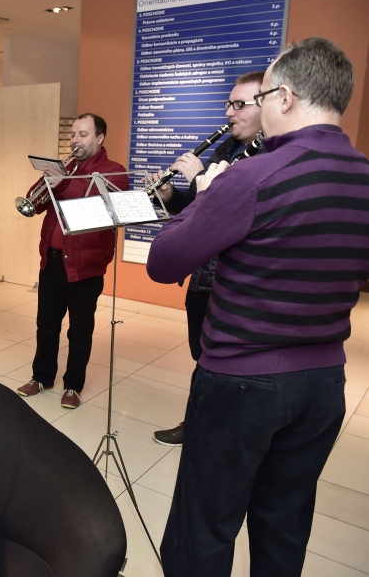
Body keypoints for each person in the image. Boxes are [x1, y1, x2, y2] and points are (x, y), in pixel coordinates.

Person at [148, 37, 367, 576]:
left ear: (285, 97)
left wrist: (206, 195)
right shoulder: (363, 175)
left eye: (263, 97)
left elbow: (164, 262)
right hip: (324, 383)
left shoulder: (251, 175)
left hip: (242, 382)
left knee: (204, 525)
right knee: (284, 524)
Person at [150, 71, 266, 446]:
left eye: (239, 104)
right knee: (201, 355)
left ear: (266, 105)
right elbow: (196, 212)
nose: (229, 113)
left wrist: (202, 181)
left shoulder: (268, 159)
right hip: (203, 277)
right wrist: (171, 196)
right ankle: (199, 423)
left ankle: (213, 431)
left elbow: (230, 214)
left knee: (227, 362)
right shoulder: (224, 150)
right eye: (228, 104)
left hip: (233, 282)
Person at [16, 114, 128, 409]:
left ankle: (73, 386)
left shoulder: (113, 172)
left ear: (100, 138)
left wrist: (62, 183)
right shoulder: (66, 169)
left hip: (86, 267)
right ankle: (42, 377)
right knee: (46, 326)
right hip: (52, 262)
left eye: (83, 134)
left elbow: (95, 205)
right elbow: (34, 202)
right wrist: (48, 182)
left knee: (79, 331)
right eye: (73, 135)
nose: (75, 140)